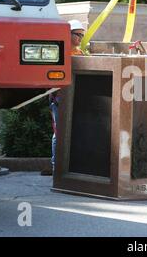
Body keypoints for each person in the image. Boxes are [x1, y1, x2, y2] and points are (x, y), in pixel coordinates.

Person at [41, 19, 85, 176]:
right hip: (58, 99)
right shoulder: (59, 52)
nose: (80, 38)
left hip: (76, 98)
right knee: (59, 133)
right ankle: (56, 166)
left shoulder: (80, 54)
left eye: (82, 35)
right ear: (68, 34)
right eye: (77, 34)